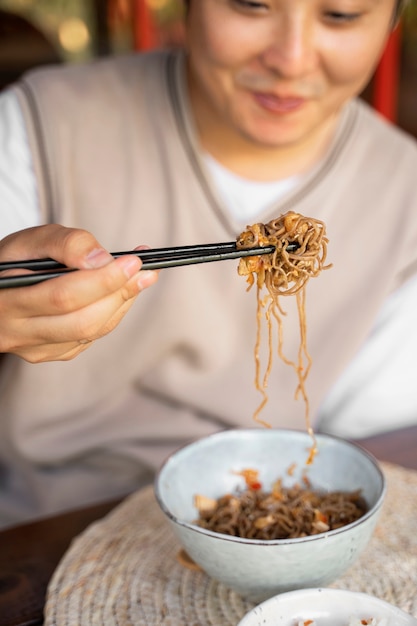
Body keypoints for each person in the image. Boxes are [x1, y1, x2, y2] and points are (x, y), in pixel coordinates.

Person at [0, 0, 416, 528]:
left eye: (340, 16)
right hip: (40, 526)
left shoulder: (406, 198)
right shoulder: (40, 124)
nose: (290, 59)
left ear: (392, 22)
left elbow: (366, 453)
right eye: (251, 4)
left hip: (255, 521)